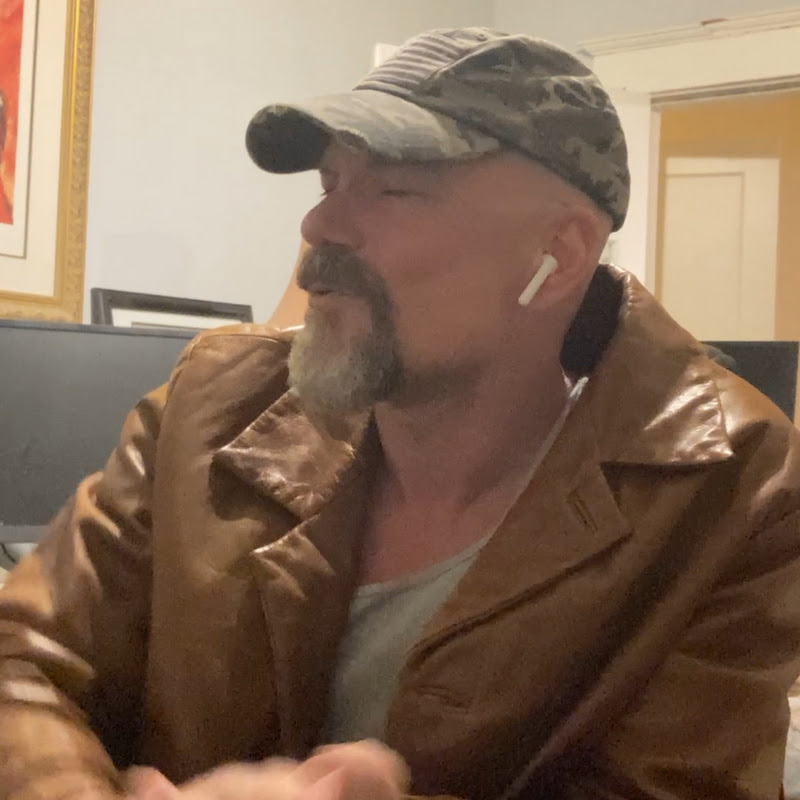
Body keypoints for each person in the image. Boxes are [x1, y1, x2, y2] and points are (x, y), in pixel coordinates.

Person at [1, 26, 799, 800]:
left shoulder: (729, 491)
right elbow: (22, 660)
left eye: (394, 189)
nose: (318, 226)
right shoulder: (210, 407)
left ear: (558, 254)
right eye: (329, 184)